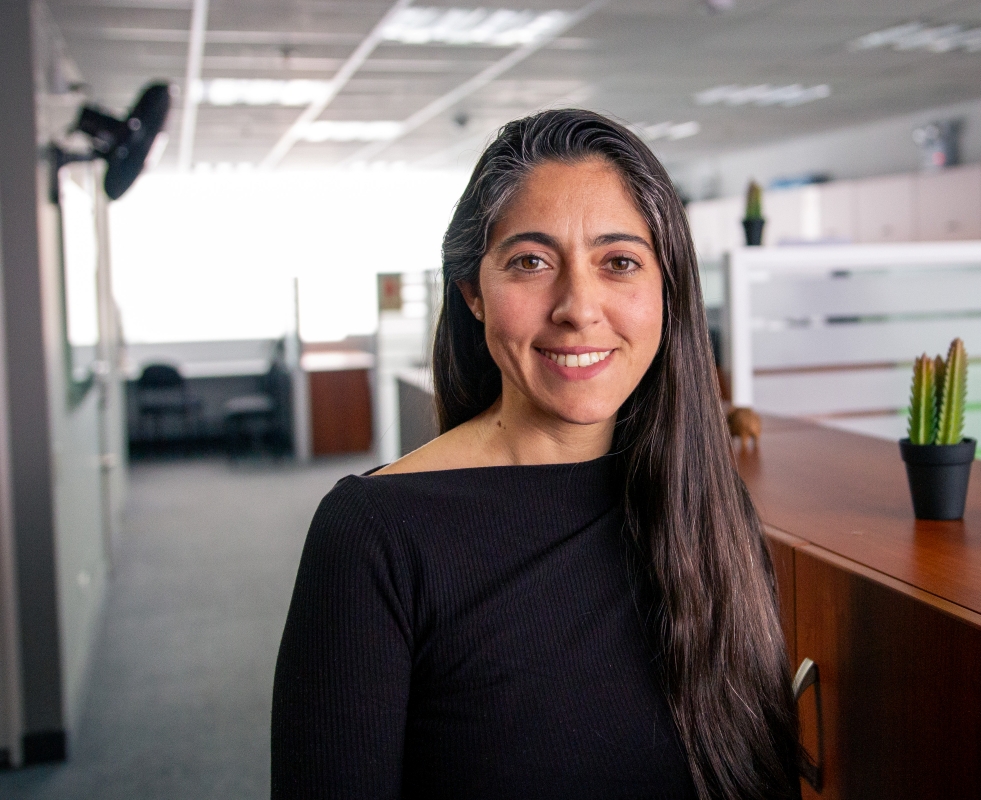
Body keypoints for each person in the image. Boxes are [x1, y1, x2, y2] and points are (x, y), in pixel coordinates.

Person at [271, 109, 800, 799]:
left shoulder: (703, 501)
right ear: (473, 293)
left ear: (667, 292)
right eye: (531, 261)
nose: (579, 306)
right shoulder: (375, 536)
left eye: (619, 262)